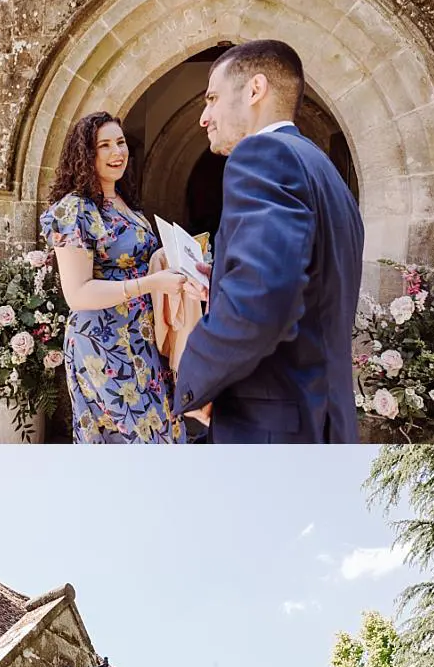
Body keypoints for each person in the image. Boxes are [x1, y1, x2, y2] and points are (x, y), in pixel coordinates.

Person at [172, 41, 365, 442]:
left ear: (255, 89)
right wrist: (222, 280)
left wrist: (197, 381)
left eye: (212, 98)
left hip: (269, 426)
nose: (204, 118)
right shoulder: (324, 172)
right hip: (322, 419)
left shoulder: (261, 155)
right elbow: (304, 283)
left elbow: (262, 300)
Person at [39, 111, 194, 443]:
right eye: (104, 145)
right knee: (139, 441)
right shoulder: (74, 211)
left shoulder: (126, 204)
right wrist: (151, 283)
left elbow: (140, 260)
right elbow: (77, 294)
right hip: (103, 344)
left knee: (164, 431)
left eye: (121, 143)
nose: (117, 152)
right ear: (85, 154)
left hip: (144, 338)